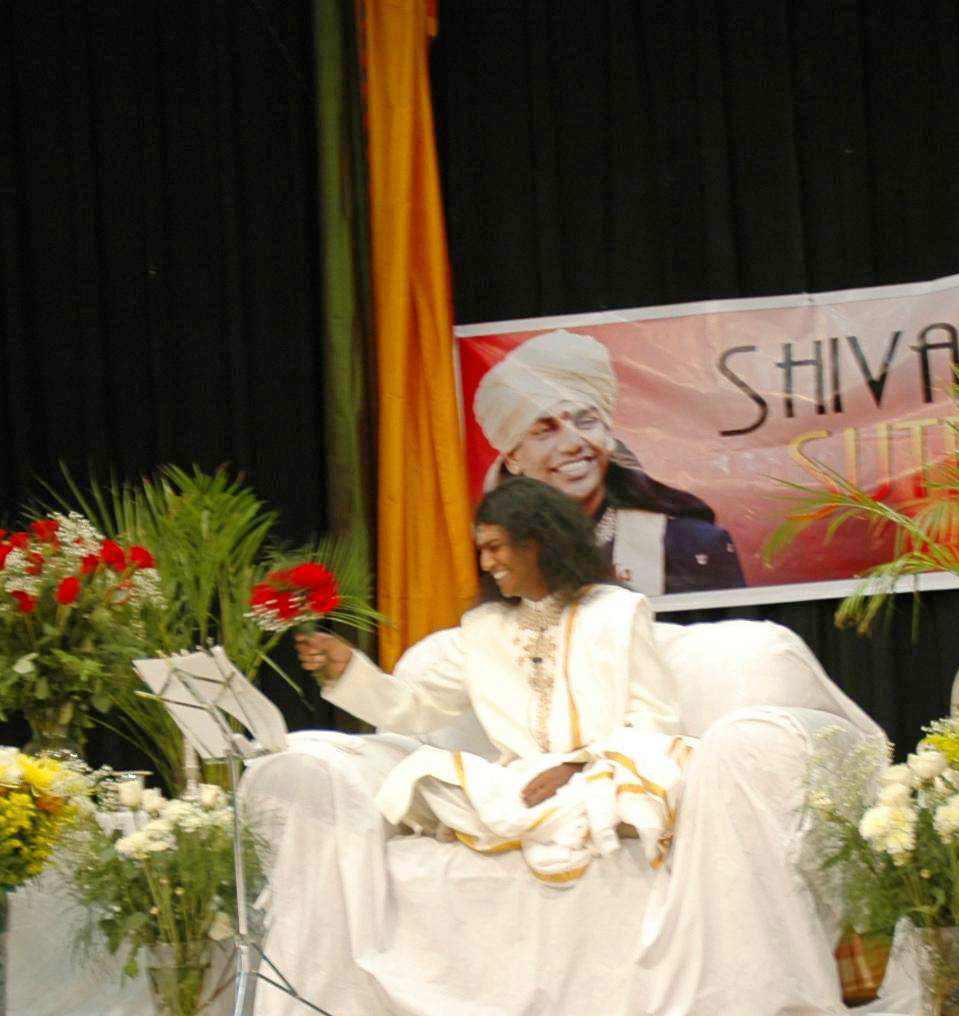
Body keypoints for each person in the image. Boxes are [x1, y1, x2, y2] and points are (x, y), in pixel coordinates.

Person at [292, 476, 688, 883]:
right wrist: (348, 671)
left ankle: (558, 822)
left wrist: (575, 765)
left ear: (536, 543)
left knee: (633, 788)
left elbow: (656, 719)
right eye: (481, 550)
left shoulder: (617, 612)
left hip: (603, 773)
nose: (485, 564)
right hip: (523, 784)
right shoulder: (484, 628)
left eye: (495, 548)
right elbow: (416, 707)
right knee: (423, 776)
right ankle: (545, 824)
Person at [475, 329, 746, 596]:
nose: (572, 444)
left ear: (607, 434)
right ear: (513, 458)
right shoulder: (499, 557)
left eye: (586, 421)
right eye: (545, 431)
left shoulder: (690, 545)